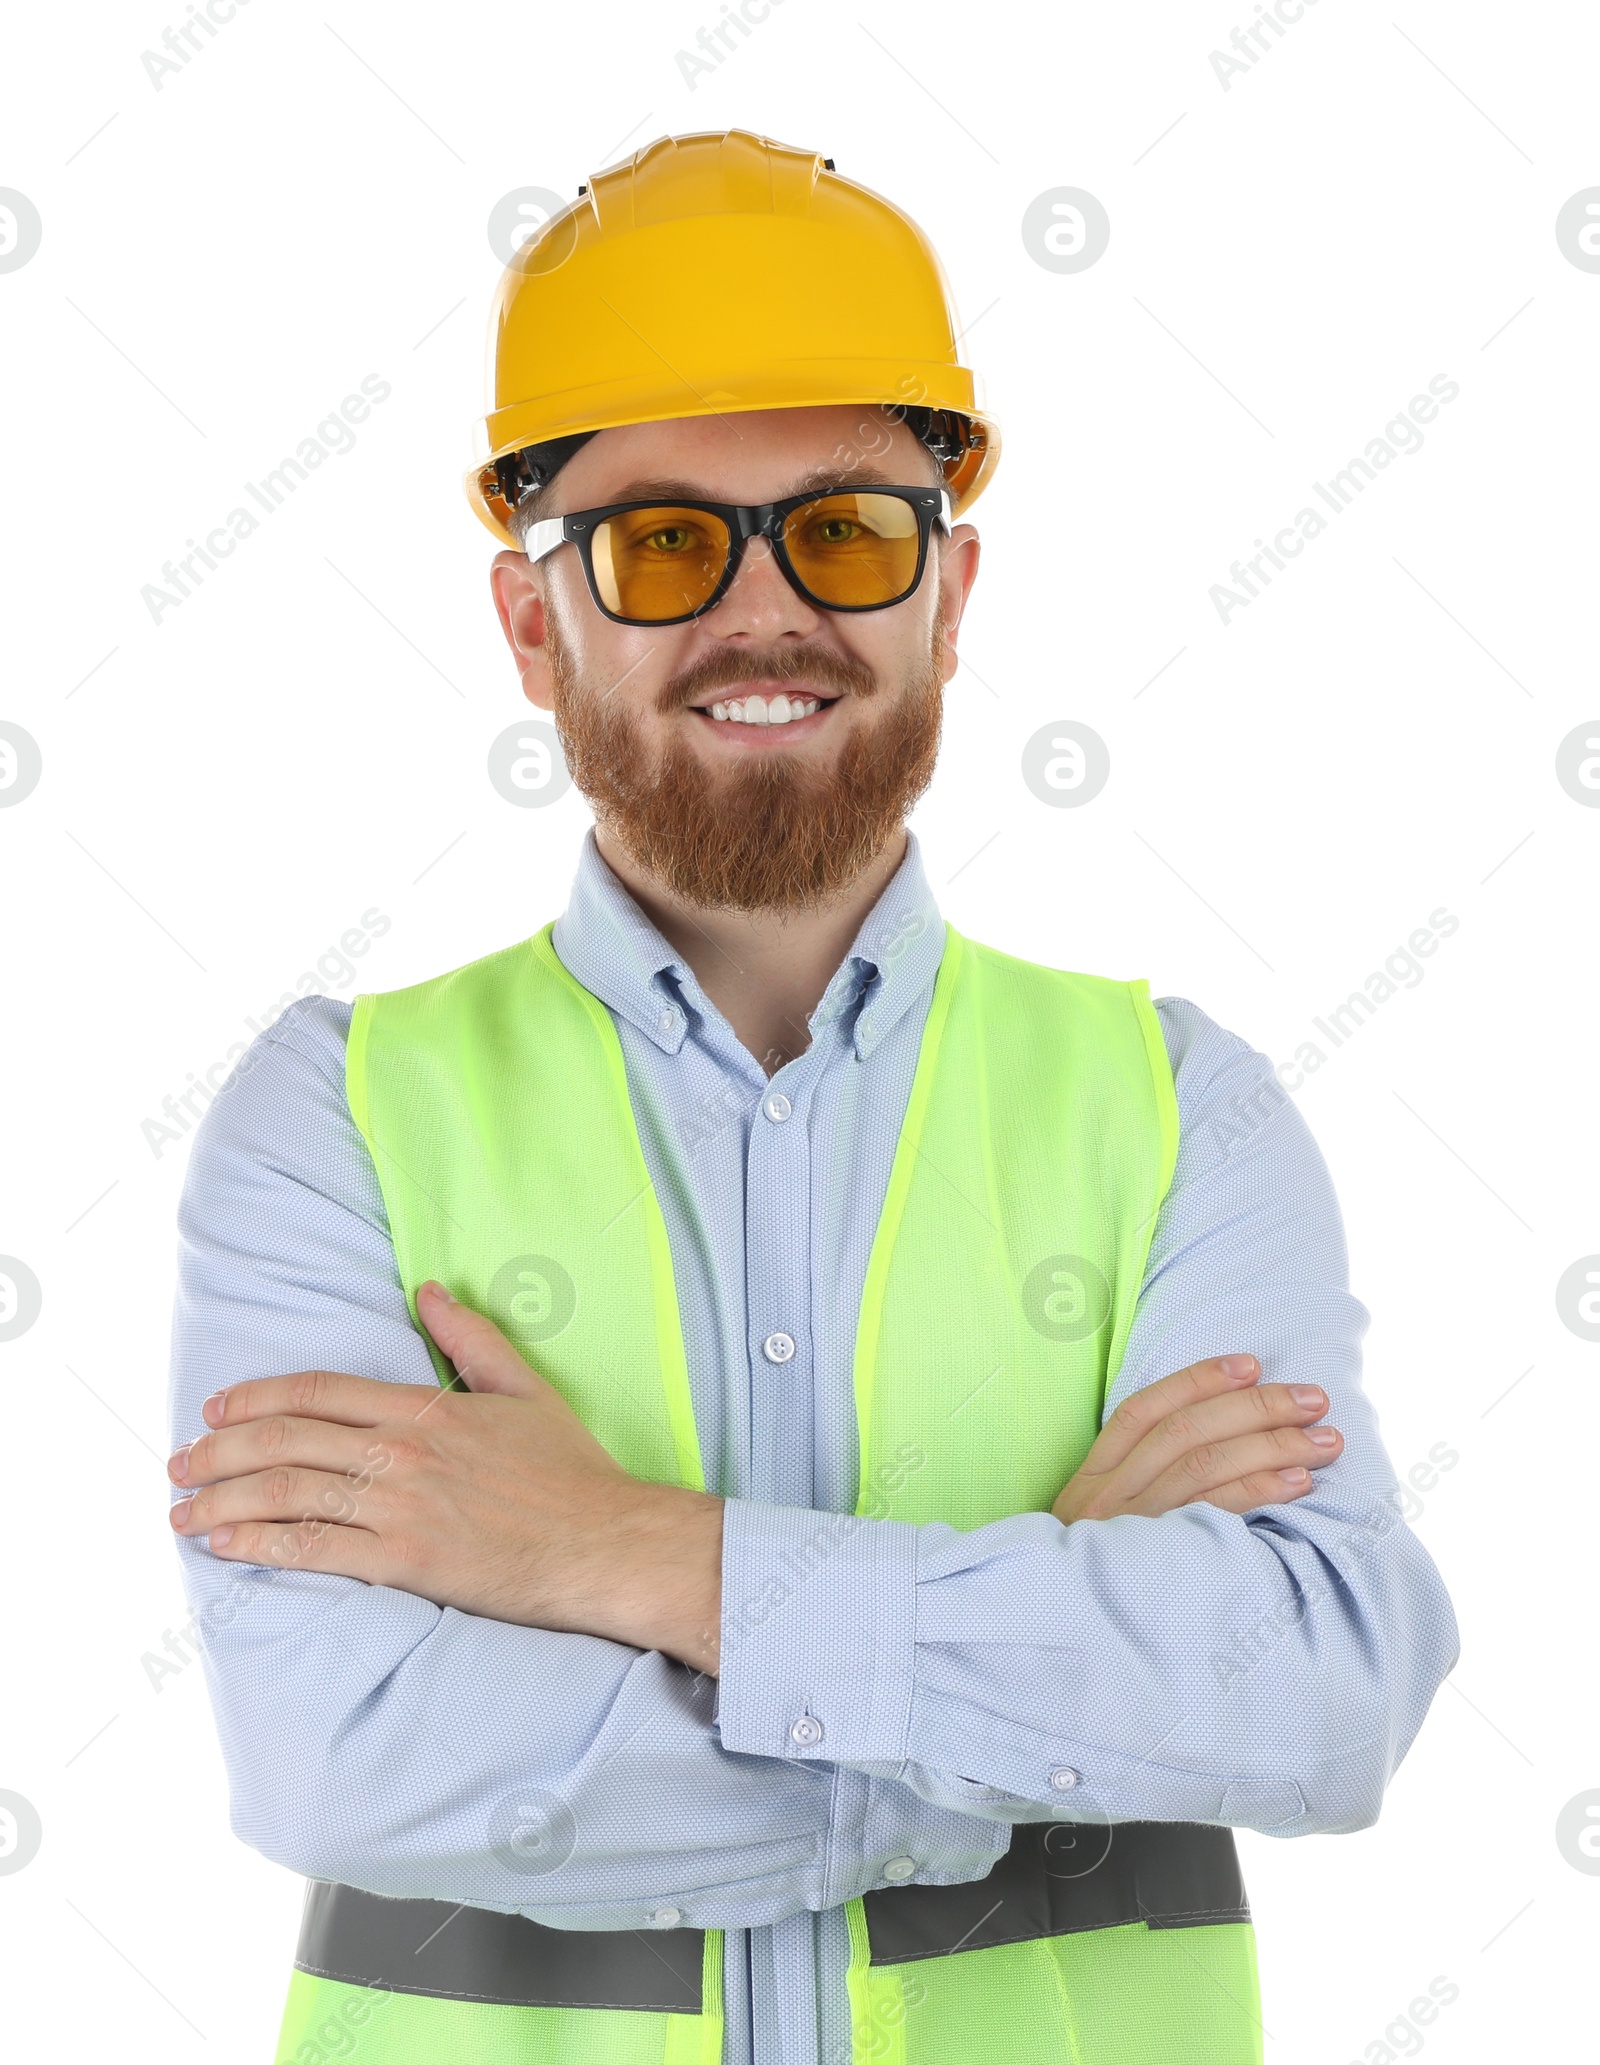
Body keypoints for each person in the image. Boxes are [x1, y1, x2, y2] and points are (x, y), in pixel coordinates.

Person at [166, 128, 1457, 2065]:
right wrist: (1048, 1689)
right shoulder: (334, 1120)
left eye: (842, 529)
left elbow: (1320, 1695)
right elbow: (344, 1761)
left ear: (948, 594)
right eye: (665, 540)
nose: (764, 613)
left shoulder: (1182, 1107)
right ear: (536, 623)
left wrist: (620, 1559)